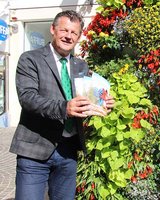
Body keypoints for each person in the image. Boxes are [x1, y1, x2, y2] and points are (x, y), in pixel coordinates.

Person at [9, 10, 114, 200]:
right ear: (53, 29)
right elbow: (27, 98)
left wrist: (102, 102)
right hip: (34, 149)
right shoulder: (30, 59)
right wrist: (64, 108)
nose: (68, 36)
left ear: (79, 36)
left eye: (74, 33)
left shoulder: (80, 65)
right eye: (64, 30)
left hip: (68, 151)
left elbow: (85, 100)